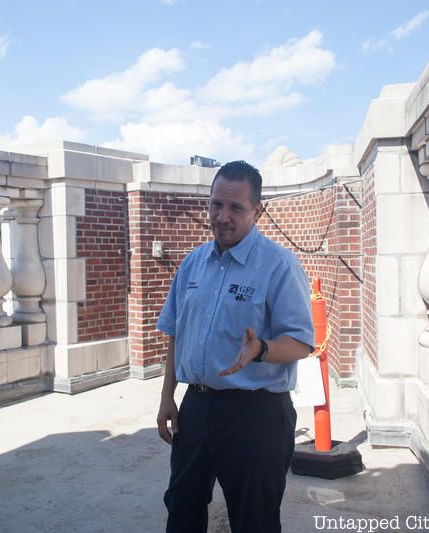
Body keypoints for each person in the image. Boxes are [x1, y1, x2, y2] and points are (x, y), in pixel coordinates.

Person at [156, 160, 315, 533]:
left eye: (235, 207)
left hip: (256, 414)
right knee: (181, 508)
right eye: (216, 204)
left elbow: (302, 342)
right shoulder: (193, 264)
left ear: (256, 210)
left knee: (254, 518)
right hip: (196, 408)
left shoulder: (278, 265)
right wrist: (168, 397)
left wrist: (260, 349)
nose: (222, 216)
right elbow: (176, 333)